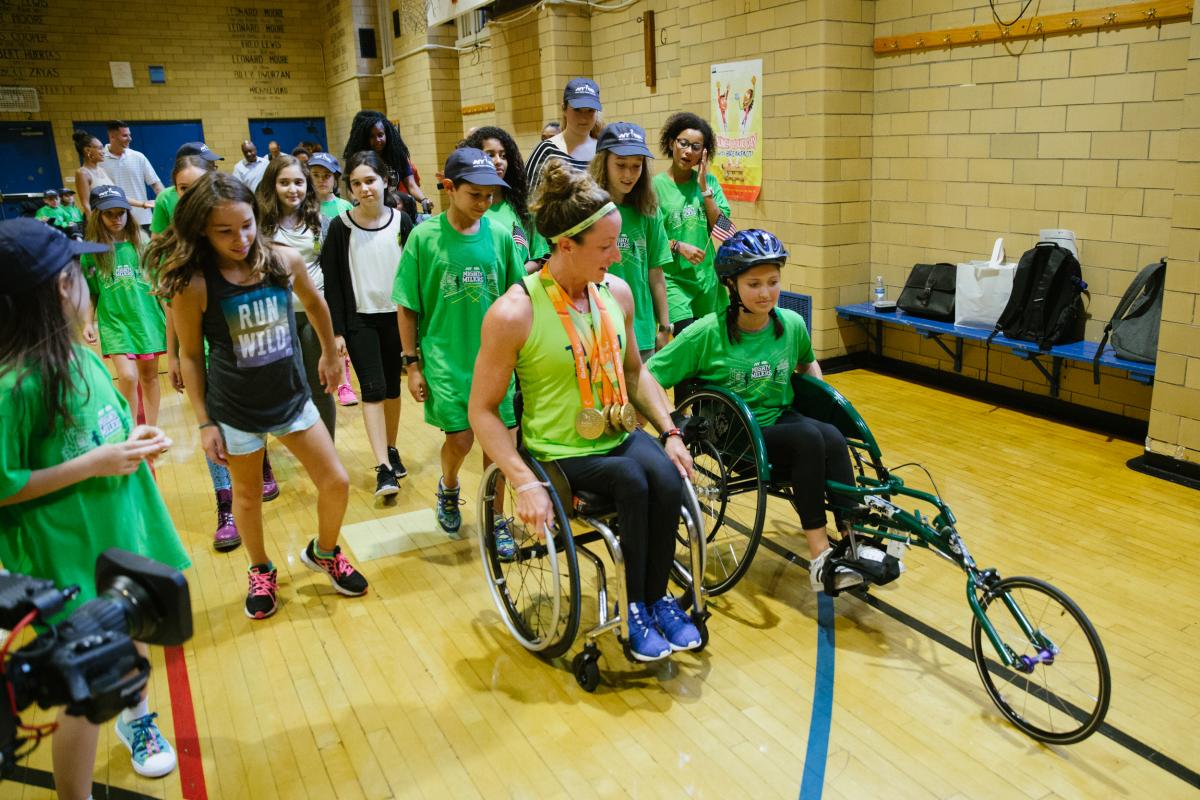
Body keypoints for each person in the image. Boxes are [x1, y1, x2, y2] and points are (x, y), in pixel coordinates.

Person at [469, 160, 702, 661]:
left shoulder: (615, 295)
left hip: (617, 432)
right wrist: (521, 480)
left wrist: (669, 430)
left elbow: (637, 374)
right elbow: (483, 411)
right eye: (606, 247)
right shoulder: (515, 313)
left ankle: (656, 598)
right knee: (634, 482)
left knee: (665, 476)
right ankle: (634, 608)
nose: (618, 258)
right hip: (559, 450)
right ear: (564, 244)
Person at [0, 218, 190, 793]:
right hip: (65, 553)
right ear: (62, 286)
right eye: (79, 271)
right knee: (82, 688)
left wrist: (137, 443)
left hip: (118, 533)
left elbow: (104, 436)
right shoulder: (16, 386)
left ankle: (138, 720)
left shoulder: (79, 353)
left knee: (130, 644)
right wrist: (94, 465)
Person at [149, 172, 369, 618]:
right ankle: (261, 568)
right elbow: (191, 356)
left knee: (336, 481)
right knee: (247, 497)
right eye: (224, 231)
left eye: (246, 225)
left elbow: (316, 303)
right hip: (235, 409)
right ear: (202, 231)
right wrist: (204, 421)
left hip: (291, 398)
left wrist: (330, 352)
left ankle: (325, 552)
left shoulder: (282, 261)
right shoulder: (195, 284)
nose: (240, 238)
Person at [647, 230, 880, 593]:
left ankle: (853, 539)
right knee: (807, 439)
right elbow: (648, 376)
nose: (765, 292)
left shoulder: (792, 325)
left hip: (780, 423)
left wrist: (824, 403)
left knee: (832, 436)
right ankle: (820, 556)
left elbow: (808, 368)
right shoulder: (706, 333)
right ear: (731, 285)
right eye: (754, 283)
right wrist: (671, 425)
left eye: (773, 282)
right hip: (732, 435)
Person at [394, 147, 524, 537]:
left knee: (498, 448)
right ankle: (449, 485)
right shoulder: (424, 237)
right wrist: (411, 363)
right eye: (475, 195)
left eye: (490, 196)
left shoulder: (500, 237)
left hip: (496, 360)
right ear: (450, 188)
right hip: (445, 359)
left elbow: (518, 295)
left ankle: (496, 519)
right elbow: (407, 306)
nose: (484, 203)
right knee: (462, 438)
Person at [320, 151, 414, 496]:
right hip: (360, 321)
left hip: (397, 318)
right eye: (357, 183)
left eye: (370, 180)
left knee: (392, 388)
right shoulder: (340, 227)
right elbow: (332, 282)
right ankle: (384, 469)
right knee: (372, 389)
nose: (364, 188)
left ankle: (391, 446)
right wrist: (338, 331)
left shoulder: (402, 223)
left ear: (385, 181)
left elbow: (414, 274)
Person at [256, 154, 336, 438]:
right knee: (284, 388)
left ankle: (327, 447)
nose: (293, 189)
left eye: (299, 182)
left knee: (321, 386)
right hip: (278, 318)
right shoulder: (259, 225)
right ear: (272, 185)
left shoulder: (320, 223)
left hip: (314, 314)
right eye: (284, 182)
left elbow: (332, 272)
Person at [81, 185, 166, 429]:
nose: (117, 218)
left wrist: (171, 319)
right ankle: (130, 429)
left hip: (146, 319)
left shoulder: (143, 243)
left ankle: (150, 429)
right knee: (128, 376)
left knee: (150, 377)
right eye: (110, 214)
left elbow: (159, 286)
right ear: (98, 215)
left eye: (121, 212)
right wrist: (88, 322)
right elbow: (91, 291)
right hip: (115, 322)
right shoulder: (92, 252)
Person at [587, 122, 672, 362]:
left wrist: (665, 326)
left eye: (636, 167)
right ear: (603, 162)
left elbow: (656, 273)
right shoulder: (587, 209)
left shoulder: (648, 211)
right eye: (621, 165)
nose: (628, 175)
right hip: (595, 327)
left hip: (641, 330)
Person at [653, 112, 731, 333]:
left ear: (703, 153)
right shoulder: (654, 187)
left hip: (707, 282)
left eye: (696, 147)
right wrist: (678, 246)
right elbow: (650, 240)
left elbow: (722, 227)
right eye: (683, 143)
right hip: (673, 281)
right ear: (671, 143)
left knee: (709, 348)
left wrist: (705, 189)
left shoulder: (710, 184)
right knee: (686, 338)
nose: (688, 151)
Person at [462, 126, 549, 271]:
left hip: (519, 288)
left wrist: (511, 280)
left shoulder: (523, 206)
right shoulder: (469, 209)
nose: (498, 161)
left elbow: (537, 257)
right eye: (490, 155)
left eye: (503, 156)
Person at [341, 110, 433, 215]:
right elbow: (351, 189)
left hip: (395, 209)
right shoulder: (357, 160)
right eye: (372, 136)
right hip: (369, 210)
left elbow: (411, 185)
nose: (377, 140)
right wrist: (357, 202)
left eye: (380, 135)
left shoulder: (397, 155)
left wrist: (424, 200)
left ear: (387, 134)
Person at [526, 78, 602, 192]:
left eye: (590, 110)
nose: (584, 117)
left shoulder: (603, 151)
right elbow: (526, 197)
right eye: (577, 110)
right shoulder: (547, 150)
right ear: (564, 109)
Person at [150, 143, 223, 237]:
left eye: (213, 166)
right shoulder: (165, 198)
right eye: (208, 163)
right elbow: (156, 240)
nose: (212, 169)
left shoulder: (222, 194)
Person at [102, 120, 165, 229]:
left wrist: (166, 203)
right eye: (125, 135)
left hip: (143, 219)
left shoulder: (138, 157)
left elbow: (155, 184)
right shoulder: (100, 161)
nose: (130, 139)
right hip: (116, 222)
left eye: (129, 135)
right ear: (112, 136)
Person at [72, 130, 115, 216]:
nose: (103, 152)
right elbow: (86, 204)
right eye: (99, 148)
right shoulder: (82, 173)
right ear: (88, 150)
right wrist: (93, 226)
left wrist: (142, 204)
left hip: (111, 217)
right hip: (98, 220)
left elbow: (115, 195)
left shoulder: (102, 170)